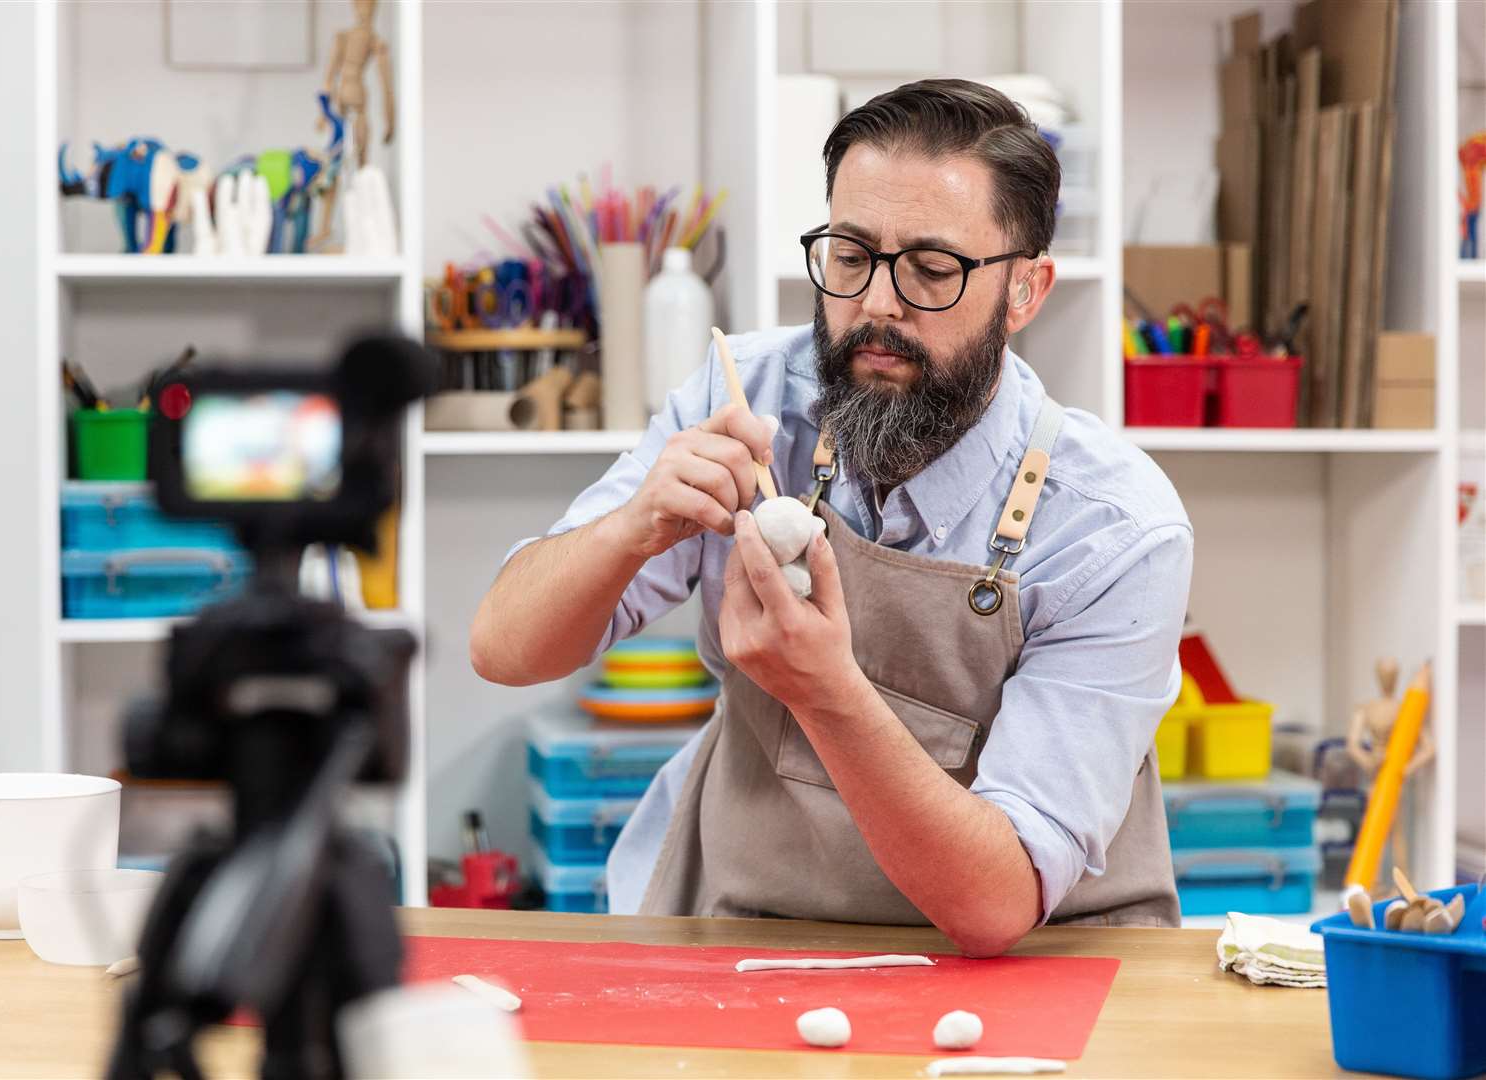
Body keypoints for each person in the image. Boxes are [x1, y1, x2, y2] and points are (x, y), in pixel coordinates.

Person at [471, 79, 1192, 956]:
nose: (878, 305)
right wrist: (637, 526)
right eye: (850, 256)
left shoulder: (1113, 530)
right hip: (753, 924)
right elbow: (504, 650)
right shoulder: (747, 395)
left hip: (1035, 963)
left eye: (933, 270)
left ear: (1025, 291)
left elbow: (996, 904)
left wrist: (825, 690)